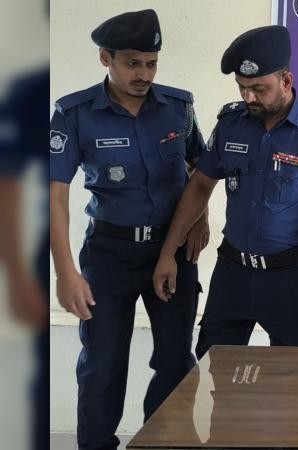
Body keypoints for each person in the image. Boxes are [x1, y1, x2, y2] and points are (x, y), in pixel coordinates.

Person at [49, 10, 208, 449]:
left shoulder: (179, 107)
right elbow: (54, 196)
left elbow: (201, 170)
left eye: (151, 63)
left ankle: (161, 443)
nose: (144, 74)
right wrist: (65, 273)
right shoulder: (74, 113)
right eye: (132, 63)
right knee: (102, 364)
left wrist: (200, 221)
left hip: (172, 250)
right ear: (106, 58)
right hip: (109, 254)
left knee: (175, 361)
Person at [153, 25, 298, 359]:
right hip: (233, 273)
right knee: (213, 369)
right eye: (242, 88)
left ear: (286, 81)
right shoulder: (231, 123)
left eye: (259, 88)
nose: (249, 98)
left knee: (292, 376)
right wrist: (168, 252)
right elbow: (200, 185)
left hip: (290, 279)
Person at [0, 66, 48, 450]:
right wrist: (16, 278)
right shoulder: (33, 90)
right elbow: (7, 185)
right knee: (44, 377)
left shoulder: (176, 107)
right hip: (52, 253)